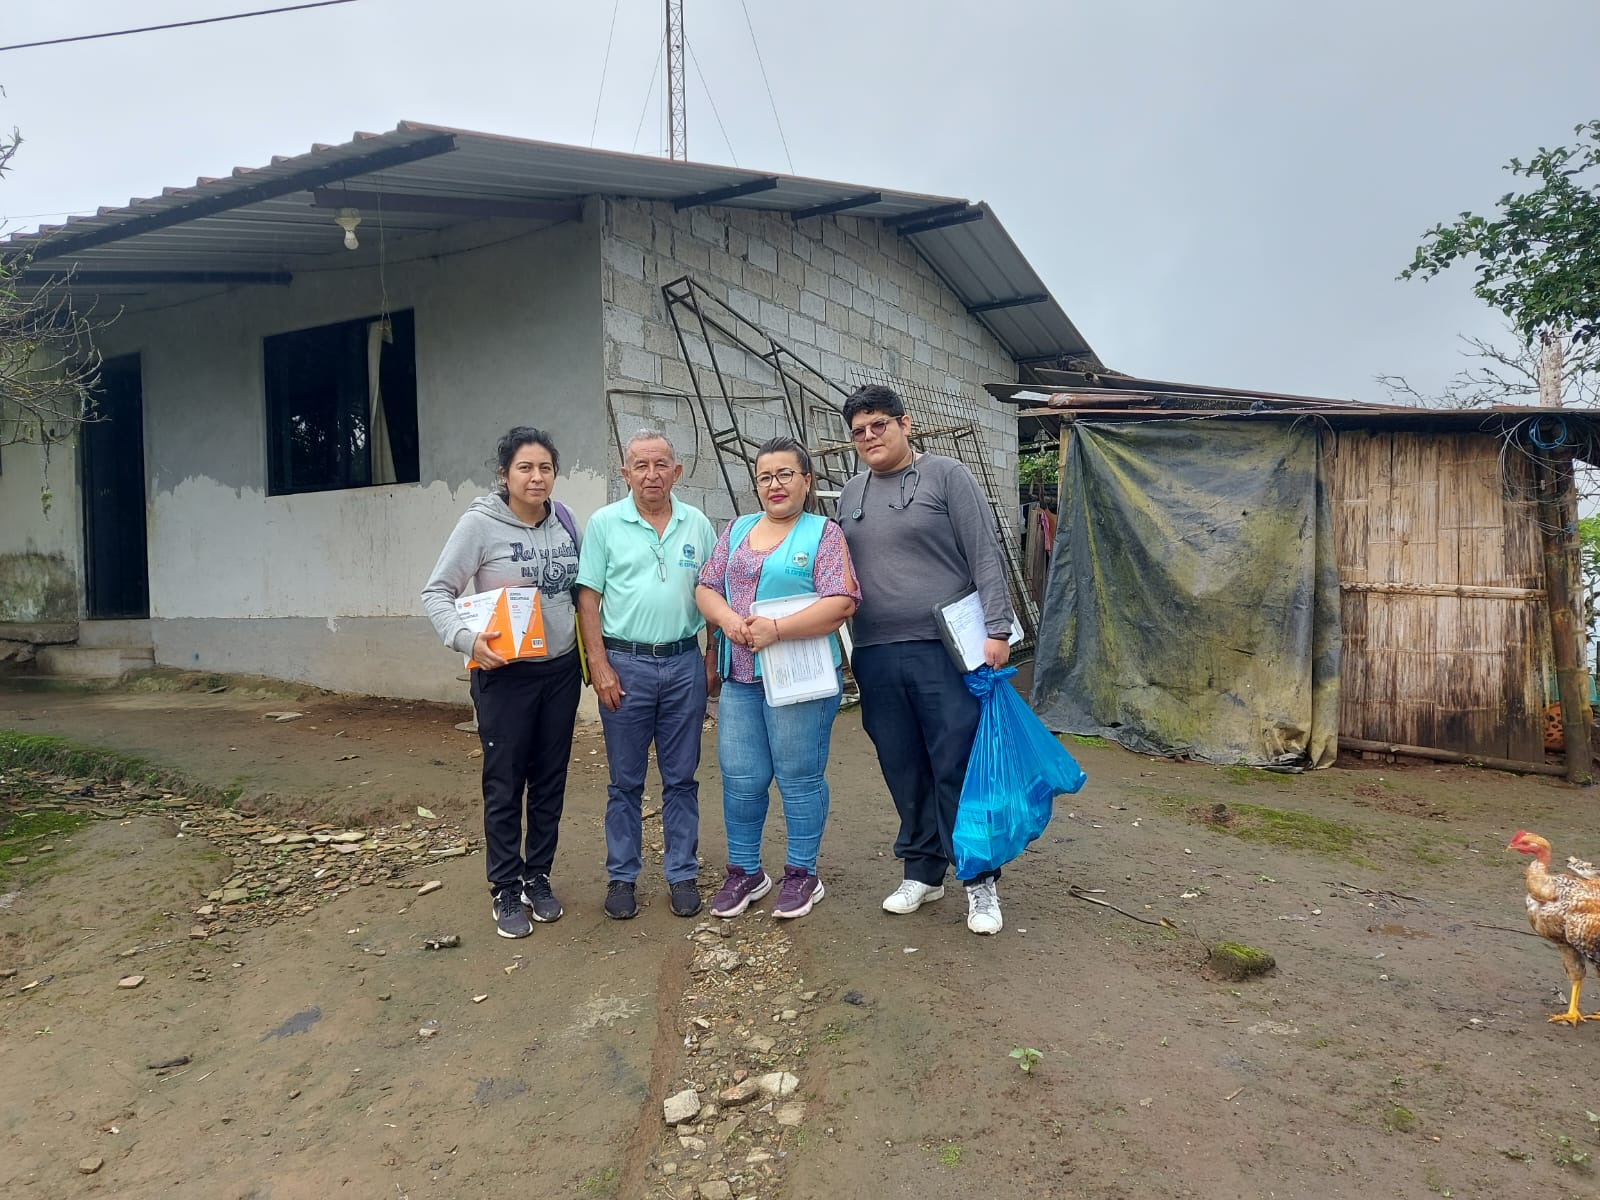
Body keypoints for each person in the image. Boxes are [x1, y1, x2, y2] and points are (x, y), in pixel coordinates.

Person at [837, 385, 1016, 935]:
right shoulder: (850, 493)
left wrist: (998, 628)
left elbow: (985, 552)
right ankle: (922, 870)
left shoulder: (946, 476)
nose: (870, 437)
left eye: (879, 425)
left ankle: (979, 879)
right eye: (859, 431)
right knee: (901, 764)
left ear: (905, 424)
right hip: (875, 652)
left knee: (954, 763)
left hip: (945, 651)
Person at [421, 426, 584, 939]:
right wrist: (466, 640)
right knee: (505, 783)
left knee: (550, 780)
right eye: (525, 468)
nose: (537, 477)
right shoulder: (479, 525)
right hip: (504, 674)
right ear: (504, 474)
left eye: (545, 468)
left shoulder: (565, 521)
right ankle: (505, 887)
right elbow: (436, 592)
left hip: (559, 671)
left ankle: (538, 877)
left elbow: (580, 592)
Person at [695, 437, 860, 920]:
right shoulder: (737, 529)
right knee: (740, 778)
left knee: (799, 777)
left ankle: (802, 873)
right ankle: (745, 871)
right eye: (765, 476)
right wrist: (728, 620)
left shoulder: (823, 533)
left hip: (799, 679)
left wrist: (778, 629)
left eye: (785, 474)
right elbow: (706, 586)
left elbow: (842, 602)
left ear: (806, 481)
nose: (775, 484)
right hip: (741, 677)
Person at [576, 431, 717, 920]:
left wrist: (711, 657)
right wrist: (599, 665)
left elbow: (713, 593)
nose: (651, 474)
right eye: (641, 465)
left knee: (681, 778)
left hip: (683, 663)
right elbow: (588, 598)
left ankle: (682, 873)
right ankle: (622, 877)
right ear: (625, 473)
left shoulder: (697, 523)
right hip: (625, 665)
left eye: (661, 465)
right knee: (625, 781)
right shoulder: (604, 524)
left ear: (676, 472)